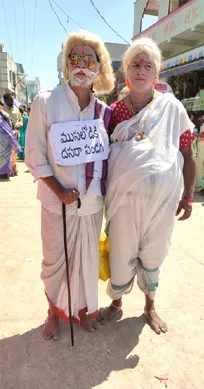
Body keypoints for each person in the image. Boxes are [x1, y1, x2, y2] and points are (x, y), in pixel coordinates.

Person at [96, 37, 196, 335]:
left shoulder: (172, 109)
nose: (141, 70)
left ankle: (150, 307)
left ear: (157, 73)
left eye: (147, 65)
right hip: (123, 202)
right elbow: (103, 158)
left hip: (162, 203)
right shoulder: (112, 113)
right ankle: (116, 305)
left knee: (154, 253)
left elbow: (188, 156)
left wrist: (188, 197)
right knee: (120, 252)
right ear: (127, 73)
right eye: (135, 65)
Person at [24, 30, 115, 340]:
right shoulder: (46, 101)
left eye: (89, 59)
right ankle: (53, 313)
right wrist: (59, 191)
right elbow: (34, 155)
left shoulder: (103, 112)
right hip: (56, 204)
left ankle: (82, 311)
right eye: (74, 58)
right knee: (55, 262)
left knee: (87, 263)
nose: (81, 65)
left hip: (91, 206)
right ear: (66, 64)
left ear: (99, 66)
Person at [0, 103, 21, 181]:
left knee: (7, 155)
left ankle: (6, 172)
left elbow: (10, 123)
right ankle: (6, 172)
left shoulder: (4, 114)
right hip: (7, 137)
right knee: (7, 155)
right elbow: (10, 124)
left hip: (4, 138)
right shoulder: (5, 114)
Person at [3, 93, 22, 176]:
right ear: (6, 100)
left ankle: (14, 168)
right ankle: (8, 170)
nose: (13, 100)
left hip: (15, 134)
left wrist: (18, 125)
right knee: (6, 153)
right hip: (4, 135)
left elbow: (20, 120)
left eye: (13, 99)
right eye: (11, 99)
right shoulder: (2, 109)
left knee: (14, 152)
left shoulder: (16, 109)